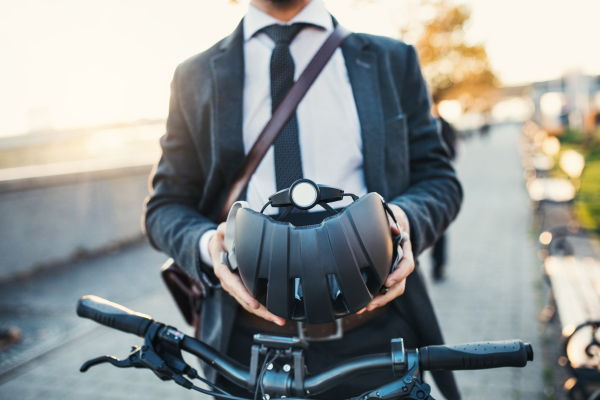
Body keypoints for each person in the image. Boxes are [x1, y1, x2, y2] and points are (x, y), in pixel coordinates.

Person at [143, 0, 463, 398]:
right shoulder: (193, 76)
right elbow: (164, 207)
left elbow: (439, 178)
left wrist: (399, 223)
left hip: (377, 339)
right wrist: (211, 246)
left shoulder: (391, 59)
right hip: (246, 348)